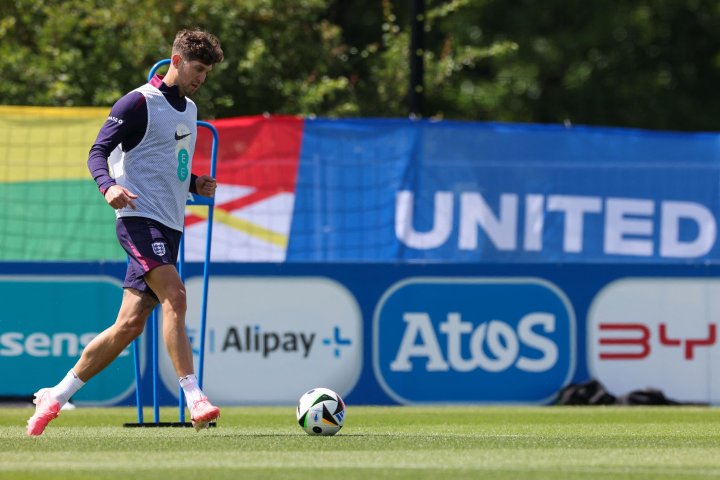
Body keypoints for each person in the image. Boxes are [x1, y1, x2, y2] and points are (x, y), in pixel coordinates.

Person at [26, 29, 224, 436]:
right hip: (138, 219)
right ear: (176, 59)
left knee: (128, 327)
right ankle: (194, 396)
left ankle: (56, 395)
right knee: (177, 294)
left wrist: (195, 183)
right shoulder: (137, 102)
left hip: (171, 223)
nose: (202, 76)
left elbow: (171, 164)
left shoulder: (189, 109)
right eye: (198, 68)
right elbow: (97, 152)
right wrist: (108, 186)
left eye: (207, 71)